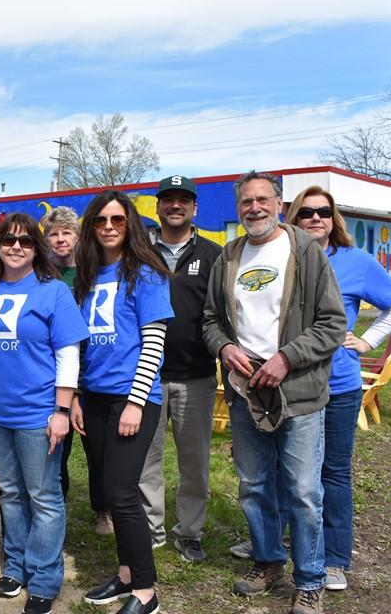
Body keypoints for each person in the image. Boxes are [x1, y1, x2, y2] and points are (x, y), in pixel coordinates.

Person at [202, 171, 346, 614]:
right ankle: (267, 562)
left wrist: (288, 357)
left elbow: (333, 323)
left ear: (279, 205)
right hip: (247, 391)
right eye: (246, 202)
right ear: (238, 208)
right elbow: (210, 320)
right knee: (255, 485)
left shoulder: (304, 251)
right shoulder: (228, 257)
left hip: (298, 391)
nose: (255, 208)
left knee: (303, 490)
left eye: (263, 199)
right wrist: (225, 348)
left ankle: (310, 579)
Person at [0, 213, 90, 614]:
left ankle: (44, 576)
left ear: (37, 248)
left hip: (38, 414)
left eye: (26, 241)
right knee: (11, 493)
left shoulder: (53, 292)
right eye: (9, 240)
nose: (16, 247)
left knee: (44, 496)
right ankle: (15, 566)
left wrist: (62, 409)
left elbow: (68, 353)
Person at [287, 186, 391, 591]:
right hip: (289, 383)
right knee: (289, 470)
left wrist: (368, 340)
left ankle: (335, 558)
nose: (315, 219)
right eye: (306, 213)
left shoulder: (356, 262)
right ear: (295, 218)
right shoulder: (283, 257)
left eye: (323, 211)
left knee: (332, 471)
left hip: (338, 383)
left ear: (333, 217)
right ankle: (288, 544)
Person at [72, 192, 173, 614]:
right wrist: (75, 395)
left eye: (117, 219)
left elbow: (154, 342)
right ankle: (127, 573)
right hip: (93, 397)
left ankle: (146, 592)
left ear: (129, 223)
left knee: (122, 490)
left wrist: (135, 403)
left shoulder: (146, 273)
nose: (109, 226)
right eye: (100, 220)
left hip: (132, 398)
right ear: (92, 227)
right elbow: (77, 342)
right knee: (110, 493)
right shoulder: (88, 274)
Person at [138, 175, 221, 561]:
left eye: (183, 200)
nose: (175, 206)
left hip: (196, 376)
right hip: (146, 377)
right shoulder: (138, 252)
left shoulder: (212, 254)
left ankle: (189, 531)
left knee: (194, 463)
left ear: (194, 208)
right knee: (146, 459)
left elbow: (222, 312)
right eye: (168, 200)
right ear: (158, 207)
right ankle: (150, 529)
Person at [40, 206, 113, 536]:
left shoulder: (91, 273)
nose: (60, 239)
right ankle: (58, 504)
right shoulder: (42, 276)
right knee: (57, 445)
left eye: (66, 233)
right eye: (54, 233)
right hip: (55, 373)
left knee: (96, 448)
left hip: (91, 369)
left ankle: (103, 509)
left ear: (78, 237)